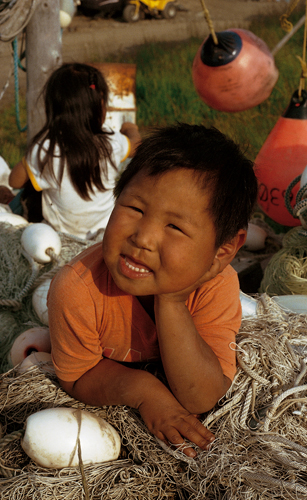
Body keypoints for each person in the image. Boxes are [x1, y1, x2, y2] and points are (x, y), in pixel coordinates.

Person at [48, 123, 258, 457]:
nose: (142, 238)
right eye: (134, 209)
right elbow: (78, 376)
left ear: (223, 251)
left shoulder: (217, 285)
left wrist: (172, 301)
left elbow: (201, 396)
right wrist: (145, 391)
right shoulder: (77, 289)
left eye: (174, 226)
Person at [9, 62, 141, 239]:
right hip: (104, 233)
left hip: (61, 238)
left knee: (22, 198)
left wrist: (31, 159)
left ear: (54, 108)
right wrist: (130, 128)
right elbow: (136, 146)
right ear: (98, 107)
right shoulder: (111, 140)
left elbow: (14, 181)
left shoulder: (46, 149)